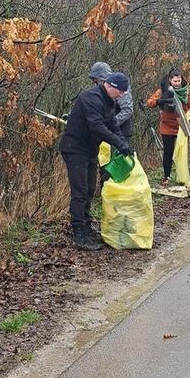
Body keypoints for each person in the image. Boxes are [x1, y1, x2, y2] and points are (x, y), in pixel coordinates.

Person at [59, 71, 133, 250]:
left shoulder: (109, 101)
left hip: (91, 150)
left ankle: (86, 225)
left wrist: (123, 143)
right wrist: (117, 142)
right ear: (111, 86)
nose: (121, 96)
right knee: (80, 190)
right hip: (74, 148)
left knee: (90, 189)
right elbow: (97, 126)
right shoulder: (90, 98)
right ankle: (79, 232)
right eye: (120, 92)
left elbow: (112, 124)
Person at [145, 67, 190, 186]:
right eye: (175, 81)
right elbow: (149, 103)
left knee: (181, 152)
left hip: (182, 125)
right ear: (170, 80)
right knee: (168, 152)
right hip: (167, 126)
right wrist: (159, 101)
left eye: (179, 81)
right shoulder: (163, 90)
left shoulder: (187, 90)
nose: (177, 83)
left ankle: (182, 176)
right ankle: (166, 176)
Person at [88, 62, 133, 144]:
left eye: (96, 79)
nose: (94, 81)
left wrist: (111, 124)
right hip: (104, 133)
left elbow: (127, 110)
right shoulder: (97, 89)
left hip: (121, 133)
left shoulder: (119, 85)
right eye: (94, 79)